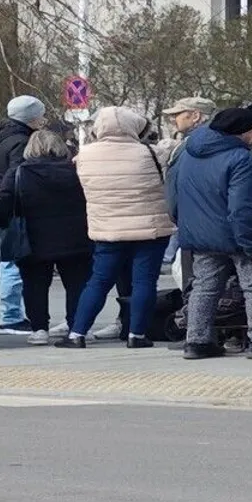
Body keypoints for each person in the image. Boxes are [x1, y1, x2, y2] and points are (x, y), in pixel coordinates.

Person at [168, 104, 252, 359]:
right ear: (241, 132)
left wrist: (183, 222)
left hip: (199, 234)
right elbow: (246, 208)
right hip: (236, 235)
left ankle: (197, 341)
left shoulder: (188, 153)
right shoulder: (242, 160)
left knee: (204, 286)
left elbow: (172, 194)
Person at [66, 106, 172, 349]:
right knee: (144, 282)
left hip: (107, 229)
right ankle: (137, 334)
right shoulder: (151, 153)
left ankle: (77, 333)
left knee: (99, 281)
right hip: (150, 227)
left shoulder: (85, 156)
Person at [0, 129, 91, 347]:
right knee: (76, 284)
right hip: (75, 237)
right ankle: (77, 327)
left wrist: (6, 223)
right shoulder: (76, 171)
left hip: (32, 238)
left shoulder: (18, 172)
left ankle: (39, 329)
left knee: (34, 285)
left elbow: (1, 205)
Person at [0, 94, 45, 335]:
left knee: (10, 260)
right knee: (13, 262)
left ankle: (11, 315)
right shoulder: (22, 142)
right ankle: (10, 317)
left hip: (8, 205)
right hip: (17, 208)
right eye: (40, 115)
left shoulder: (3, 139)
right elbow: (17, 176)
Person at [158, 96, 217, 167]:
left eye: (176, 114)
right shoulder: (215, 140)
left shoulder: (192, 146)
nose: (172, 119)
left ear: (195, 116)